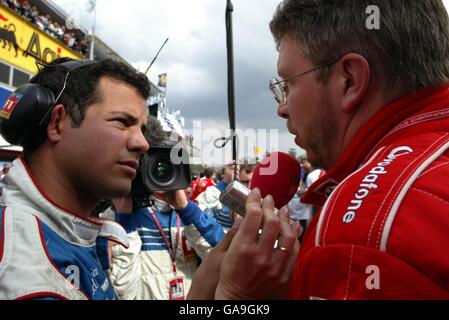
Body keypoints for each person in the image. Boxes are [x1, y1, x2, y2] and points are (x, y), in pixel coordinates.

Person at [188, 0, 449, 300]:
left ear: (349, 81)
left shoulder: (358, 233)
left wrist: (235, 297)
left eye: (287, 85)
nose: (282, 108)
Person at [0, 58, 151, 300]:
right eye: (122, 122)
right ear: (57, 122)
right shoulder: (19, 263)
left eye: (142, 130)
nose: (143, 143)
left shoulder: (74, 234)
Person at [106, 116, 225, 300]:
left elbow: (223, 259)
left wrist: (186, 209)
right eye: (151, 163)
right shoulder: (115, 219)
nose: (160, 171)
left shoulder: (192, 213)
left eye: (166, 162)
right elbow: (123, 292)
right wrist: (125, 222)